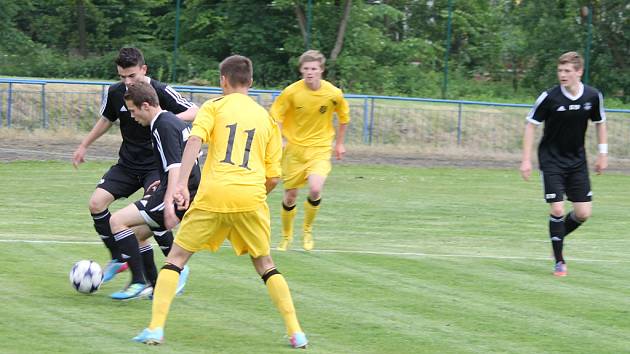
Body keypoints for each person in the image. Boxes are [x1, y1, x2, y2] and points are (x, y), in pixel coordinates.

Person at [132, 55, 307, 349]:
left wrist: (181, 187)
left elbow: (194, 142)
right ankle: (296, 332)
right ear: (250, 82)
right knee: (265, 264)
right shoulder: (266, 119)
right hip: (250, 197)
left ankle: (155, 329)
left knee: (175, 259)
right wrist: (254, 195)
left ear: (222, 80)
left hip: (213, 195)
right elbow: (274, 176)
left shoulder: (213, 107)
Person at [72, 47, 198, 282]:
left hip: (156, 167)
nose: (127, 82)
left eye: (132, 76)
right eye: (122, 77)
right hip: (128, 164)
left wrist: (167, 119)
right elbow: (107, 119)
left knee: (154, 214)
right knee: (96, 203)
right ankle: (119, 258)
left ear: (143, 69)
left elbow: (195, 111)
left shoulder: (160, 91)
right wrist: (84, 145)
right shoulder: (116, 92)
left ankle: (175, 264)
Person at [106, 81, 201, 300]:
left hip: (178, 192)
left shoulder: (161, 125)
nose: (131, 116)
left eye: (133, 111)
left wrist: (168, 202)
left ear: (146, 105)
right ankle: (156, 284)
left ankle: (143, 280)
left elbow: (175, 166)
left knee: (117, 221)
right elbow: (191, 155)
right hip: (185, 189)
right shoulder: (173, 120)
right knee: (138, 234)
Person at [520, 51, 607, 277]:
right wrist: (526, 159)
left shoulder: (592, 96)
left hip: (577, 162)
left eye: (567, 71)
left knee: (583, 213)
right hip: (551, 160)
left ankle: (557, 237)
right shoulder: (549, 97)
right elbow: (531, 125)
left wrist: (602, 153)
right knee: (558, 208)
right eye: (560, 71)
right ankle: (559, 261)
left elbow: (600, 122)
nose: (562, 75)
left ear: (579, 72)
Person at [269, 49, 350, 252]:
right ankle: (286, 237)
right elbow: (276, 115)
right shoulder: (291, 92)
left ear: (321, 70)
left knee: (315, 189)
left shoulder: (333, 93)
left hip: (320, 148)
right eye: (306, 69)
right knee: (290, 196)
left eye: (314, 68)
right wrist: (280, 139)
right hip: (295, 150)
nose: (310, 72)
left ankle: (307, 231)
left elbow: (344, 117)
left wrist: (339, 143)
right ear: (301, 70)